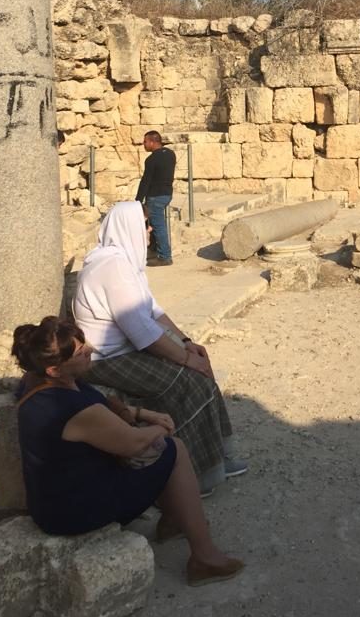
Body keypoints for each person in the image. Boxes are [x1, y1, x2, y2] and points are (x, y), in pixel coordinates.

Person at [12, 315, 244, 586]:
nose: (89, 351)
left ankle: (175, 519)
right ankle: (204, 557)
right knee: (173, 449)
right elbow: (133, 443)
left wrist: (141, 413)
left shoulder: (41, 382)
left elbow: (103, 407)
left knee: (157, 451)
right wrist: (161, 428)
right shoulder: (69, 407)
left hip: (55, 500)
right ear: (54, 370)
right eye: (80, 352)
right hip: (75, 510)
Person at [73, 200, 247, 493]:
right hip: (106, 359)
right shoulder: (111, 266)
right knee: (190, 382)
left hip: (125, 350)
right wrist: (185, 360)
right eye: (145, 224)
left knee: (200, 368)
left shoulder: (124, 262)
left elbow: (152, 311)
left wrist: (187, 343)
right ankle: (197, 474)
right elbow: (140, 330)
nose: (150, 229)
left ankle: (218, 454)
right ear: (128, 227)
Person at [136, 131, 176, 267]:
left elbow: (146, 181)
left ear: (152, 142)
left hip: (155, 196)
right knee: (153, 223)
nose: (144, 144)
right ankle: (153, 250)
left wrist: (138, 200)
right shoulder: (170, 154)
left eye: (145, 142)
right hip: (167, 194)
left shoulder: (151, 159)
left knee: (158, 226)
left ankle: (165, 256)